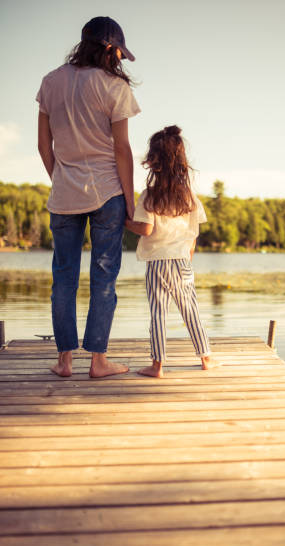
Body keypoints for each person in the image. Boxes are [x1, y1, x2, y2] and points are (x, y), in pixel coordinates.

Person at [36, 16, 140, 378]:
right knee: (104, 277)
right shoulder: (114, 87)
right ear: (109, 47)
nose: (119, 61)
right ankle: (98, 362)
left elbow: (42, 145)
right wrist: (130, 200)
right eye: (118, 53)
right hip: (107, 190)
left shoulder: (51, 82)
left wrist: (61, 179)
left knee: (63, 276)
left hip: (64, 193)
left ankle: (64, 361)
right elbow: (122, 150)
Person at [125, 125, 219, 378]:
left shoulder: (149, 196)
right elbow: (194, 232)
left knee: (158, 313)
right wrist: (187, 254)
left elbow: (145, 229)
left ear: (154, 163)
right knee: (191, 309)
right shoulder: (189, 196)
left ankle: (157, 366)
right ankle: (206, 358)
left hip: (157, 262)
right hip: (182, 261)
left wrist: (125, 222)